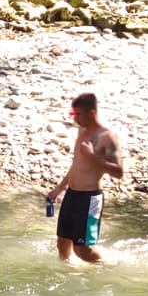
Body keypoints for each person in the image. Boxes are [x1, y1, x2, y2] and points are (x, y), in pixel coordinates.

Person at [49, 92, 125, 263]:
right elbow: (77, 164)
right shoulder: (82, 131)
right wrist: (59, 188)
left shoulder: (107, 137)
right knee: (62, 243)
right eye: (73, 114)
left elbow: (119, 172)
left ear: (92, 113)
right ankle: (67, 278)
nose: (76, 119)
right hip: (72, 194)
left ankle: (108, 268)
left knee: (82, 249)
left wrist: (93, 157)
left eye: (79, 114)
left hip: (90, 198)